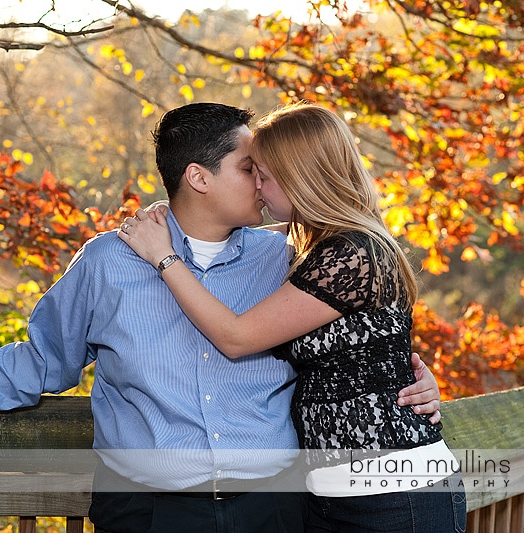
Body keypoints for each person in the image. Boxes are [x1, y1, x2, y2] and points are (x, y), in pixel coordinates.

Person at [0, 102, 443, 533]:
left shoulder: (287, 258)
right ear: (199, 177)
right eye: (252, 168)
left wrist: (412, 377)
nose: (266, 182)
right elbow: (46, 359)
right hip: (150, 510)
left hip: (278, 505)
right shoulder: (108, 263)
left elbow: (358, 338)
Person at [118, 102, 466, 532]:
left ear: (300, 176)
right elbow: (216, 230)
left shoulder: (352, 254)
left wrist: (165, 256)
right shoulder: (314, 245)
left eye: (262, 174)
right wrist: (178, 221)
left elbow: (236, 337)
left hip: (396, 496)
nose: (257, 187)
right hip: (327, 496)